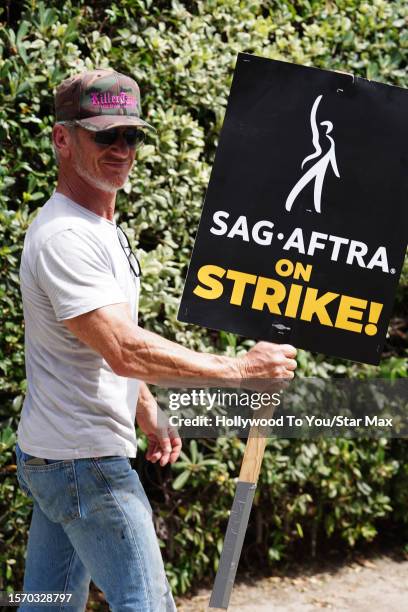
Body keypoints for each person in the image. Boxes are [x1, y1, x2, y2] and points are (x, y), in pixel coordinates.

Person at [15, 69, 297, 612]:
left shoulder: (100, 228)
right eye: (105, 135)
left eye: (131, 135)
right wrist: (240, 369)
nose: (121, 148)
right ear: (62, 139)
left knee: (48, 605)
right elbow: (123, 347)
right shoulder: (65, 237)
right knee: (147, 604)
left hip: (60, 456)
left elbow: (101, 346)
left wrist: (145, 405)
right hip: (85, 462)